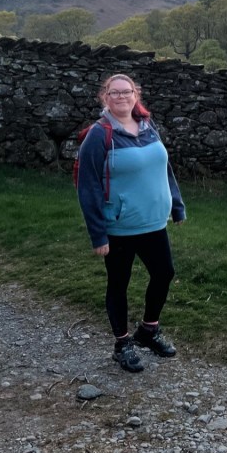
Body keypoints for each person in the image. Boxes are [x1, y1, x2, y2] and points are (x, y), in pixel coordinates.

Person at [75, 72, 186, 372]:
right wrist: (98, 235)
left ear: (135, 95)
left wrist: (176, 205)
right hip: (120, 227)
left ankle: (148, 331)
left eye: (127, 92)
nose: (121, 97)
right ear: (104, 98)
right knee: (119, 284)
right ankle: (122, 343)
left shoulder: (148, 127)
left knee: (164, 273)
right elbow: (88, 187)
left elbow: (164, 169)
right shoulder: (99, 136)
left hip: (154, 223)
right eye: (115, 92)